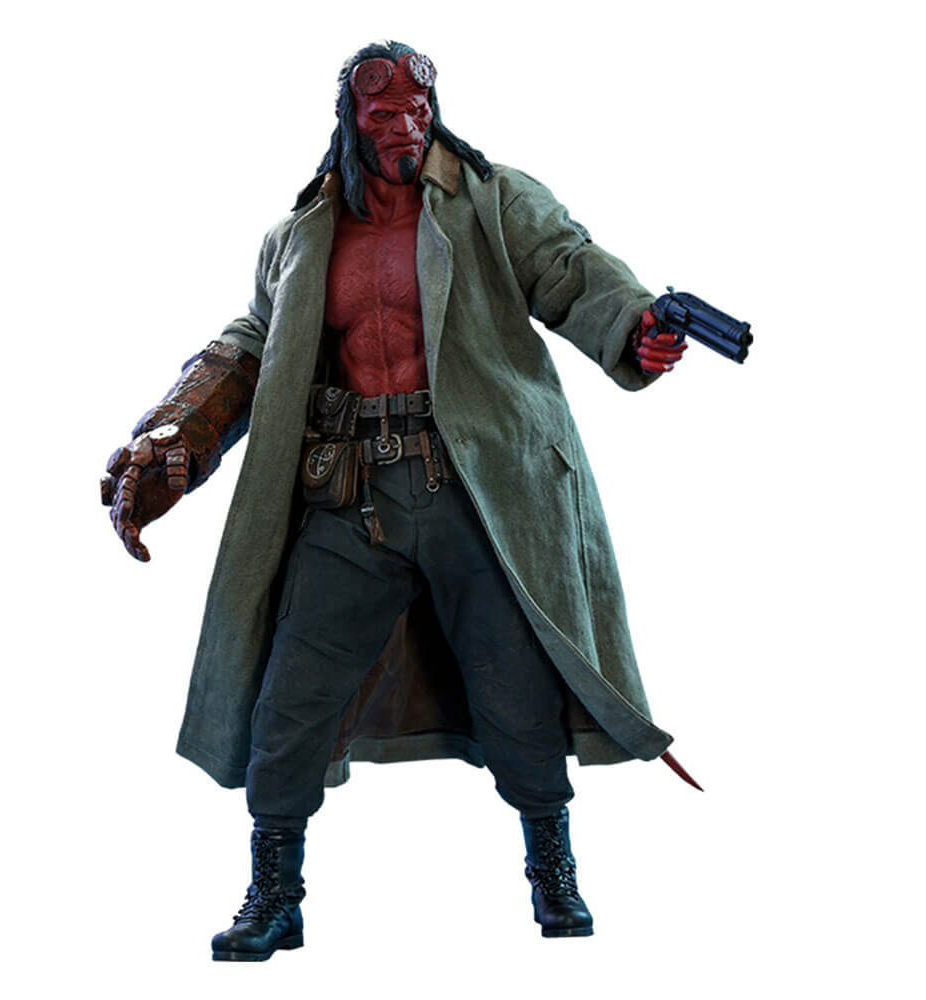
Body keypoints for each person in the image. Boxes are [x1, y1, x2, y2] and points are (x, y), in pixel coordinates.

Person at [102, 40, 689, 962]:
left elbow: (572, 270)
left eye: (419, 111)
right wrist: (174, 432)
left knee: (518, 692)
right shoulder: (301, 236)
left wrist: (636, 323)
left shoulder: (491, 202)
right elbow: (251, 344)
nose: (406, 127)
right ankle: (275, 895)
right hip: (351, 498)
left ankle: (554, 871)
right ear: (351, 121)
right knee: (290, 701)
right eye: (384, 115)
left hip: (476, 492)